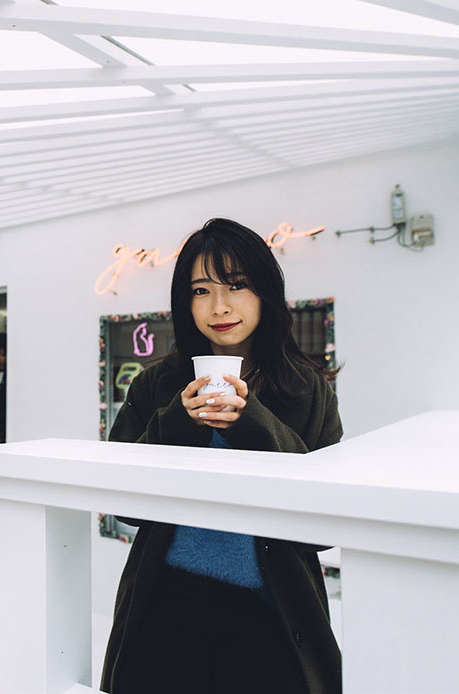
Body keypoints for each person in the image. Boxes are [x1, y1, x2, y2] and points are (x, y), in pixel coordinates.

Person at [101, 218, 343, 694]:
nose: (220, 307)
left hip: (272, 613)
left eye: (237, 285)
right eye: (201, 290)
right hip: (164, 605)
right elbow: (121, 504)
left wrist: (253, 421)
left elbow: (324, 527)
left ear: (266, 292)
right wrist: (177, 422)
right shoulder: (156, 384)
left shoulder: (306, 388)